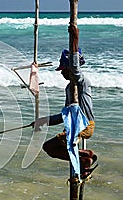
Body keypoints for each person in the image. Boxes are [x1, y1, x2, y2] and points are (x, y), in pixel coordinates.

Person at [33, 23, 96, 179]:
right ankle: (85, 156)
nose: (62, 74)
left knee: (50, 146)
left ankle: (83, 162)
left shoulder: (81, 83)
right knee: (50, 148)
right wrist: (43, 121)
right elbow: (65, 115)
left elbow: (75, 68)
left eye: (63, 70)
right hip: (74, 124)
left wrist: (75, 38)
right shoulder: (69, 88)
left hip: (84, 125)